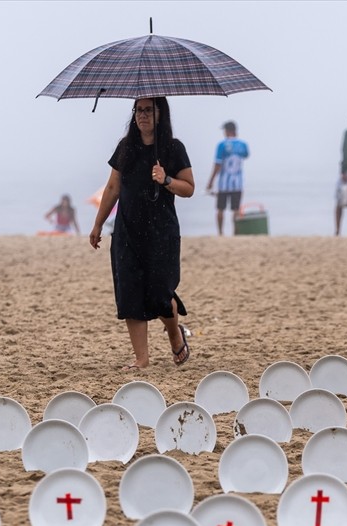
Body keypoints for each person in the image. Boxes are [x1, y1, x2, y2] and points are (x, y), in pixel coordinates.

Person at [89, 96, 196, 369]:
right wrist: (98, 224)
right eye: (138, 110)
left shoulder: (173, 148)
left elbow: (189, 188)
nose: (142, 116)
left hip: (162, 233)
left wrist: (167, 179)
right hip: (127, 231)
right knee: (130, 293)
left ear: (161, 113)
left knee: (161, 294)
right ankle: (142, 359)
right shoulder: (126, 148)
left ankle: (174, 334)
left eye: (148, 110)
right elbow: (112, 188)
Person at [205, 120, 249, 236]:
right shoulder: (243, 145)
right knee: (235, 209)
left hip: (224, 183)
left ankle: (220, 233)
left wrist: (210, 181)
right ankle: (235, 232)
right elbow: (246, 156)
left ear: (228, 131)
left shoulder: (222, 145)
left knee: (220, 209)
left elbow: (217, 164)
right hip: (238, 182)